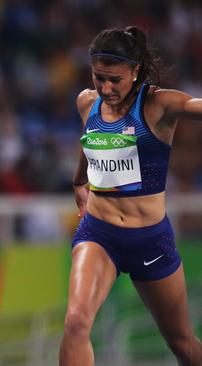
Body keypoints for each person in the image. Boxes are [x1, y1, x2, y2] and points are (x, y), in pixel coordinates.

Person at [60, 26, 202, 366]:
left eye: (115, 80)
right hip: (99, 233)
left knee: (182, 343)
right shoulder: (87, 102)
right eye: (99, 78)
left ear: (135, 71)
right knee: (76, 322)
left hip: (150, 240)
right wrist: (79, 180)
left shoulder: (159, 105)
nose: (106, 88)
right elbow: (90, 141)